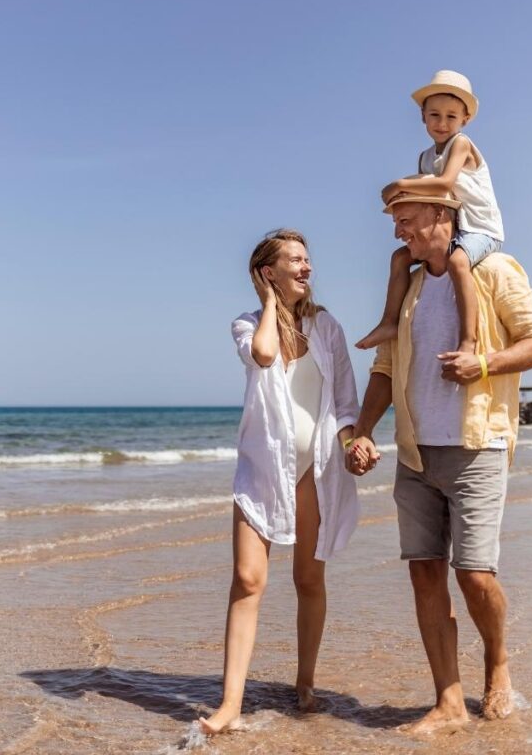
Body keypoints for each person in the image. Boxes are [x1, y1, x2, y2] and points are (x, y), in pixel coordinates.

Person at [347, 190, 532, 732]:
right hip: (415, 453)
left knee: (475, 575)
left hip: (478, 444)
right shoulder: (410, 286)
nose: (399, 233)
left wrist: (482, 364)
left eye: (407, 221)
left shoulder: (495, 269)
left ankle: (498, 662)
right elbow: (386, 368)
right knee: (424, 573)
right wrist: (363, 431)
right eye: (396, 223)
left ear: (442, 215)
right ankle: (448, 700)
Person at [200, 229, 370, 735]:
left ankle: (305, 682)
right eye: (293, 259)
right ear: (267, 272)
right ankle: (231, 705)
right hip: (262, 468)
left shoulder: (328, 328)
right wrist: (269, 302)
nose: (306, 266)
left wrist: (352, 443)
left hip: (316, 468)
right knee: (248, 580)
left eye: (307, 257)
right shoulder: (247, 324)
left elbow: (344, 402)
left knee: (308, 579)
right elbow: (266, 355)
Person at [356, 70, 505, 354]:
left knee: (458, 263)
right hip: (456, 227)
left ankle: (468, 340)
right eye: (435, 115)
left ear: (465, 119)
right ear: (423, 116)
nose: (442, 123)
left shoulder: (461, 143)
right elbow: (427, 201)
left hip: (481, 228)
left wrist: (399, 184)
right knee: (399, 258)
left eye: (451, 116)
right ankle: (389, 321)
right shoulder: (425, 157)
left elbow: (445, 183)